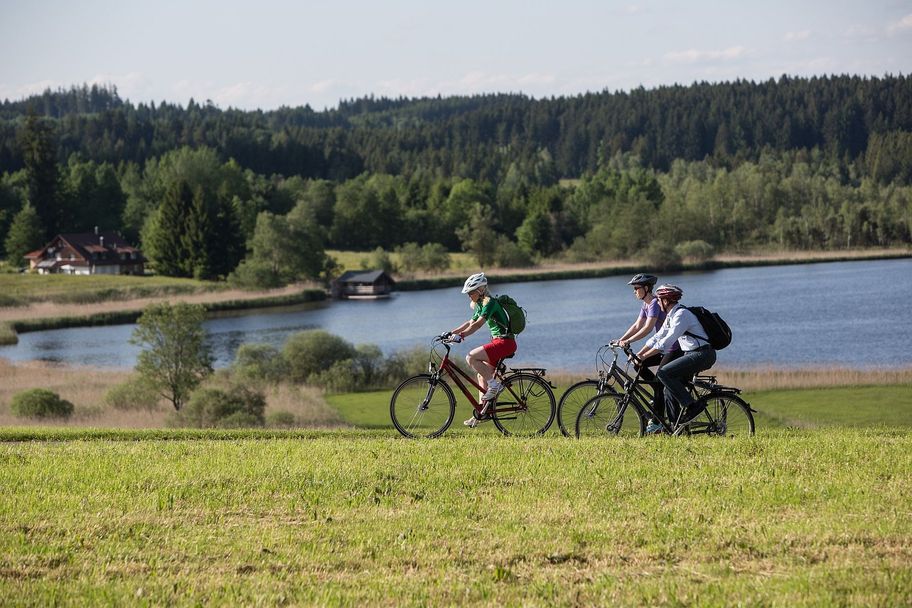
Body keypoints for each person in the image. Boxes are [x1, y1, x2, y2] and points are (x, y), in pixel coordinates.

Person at [636, 284, 716, 428]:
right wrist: (641, 353)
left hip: (702, 354)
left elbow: (667, 342)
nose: (657, 302)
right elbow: (658, 336)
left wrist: (645, 356)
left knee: (663, 373)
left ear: (665, 301)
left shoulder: (681, 315)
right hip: (692, 354)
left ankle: (692, 406)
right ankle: (675, 425)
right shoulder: (671, 315)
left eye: (659, 299)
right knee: (668, 387)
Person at [447, 272, 517, 428]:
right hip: (499, 342)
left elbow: (478, 325)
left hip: (505, 342)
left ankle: (495, 385)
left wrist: (462, 336)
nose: (468, 296)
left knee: (471, 357)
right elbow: (469, 322)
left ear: (480, 290)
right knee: (481, 375)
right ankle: (482, 413)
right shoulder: (481, 304)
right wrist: (452, 333)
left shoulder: (490, 303)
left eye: (471, 292)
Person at [613, 273, 677, 433]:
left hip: (673, 347)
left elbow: (648, 328)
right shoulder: (646, 305)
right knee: (637, 363)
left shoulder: (655, 303)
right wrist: (620, 339)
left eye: (636, 288)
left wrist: (628, 342)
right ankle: (657, 396)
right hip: (663, 347)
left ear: (646, 288)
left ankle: (657, 420)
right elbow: (637, 325)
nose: (634, 291)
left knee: (658, 383)